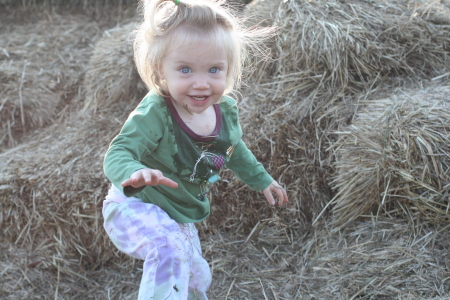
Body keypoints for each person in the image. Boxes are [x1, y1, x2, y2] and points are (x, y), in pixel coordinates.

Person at [102, 0, 289, 299]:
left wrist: (262, 179)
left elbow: (233, 149)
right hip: (133, 206)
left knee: (196, 277)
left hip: (177, 213)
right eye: (185, 69)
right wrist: (135, 171)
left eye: (214, 69)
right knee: (169, 248)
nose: (201, 84)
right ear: (159, 69)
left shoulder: (224, 111)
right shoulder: (157, 112)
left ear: (229, 70)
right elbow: (118, 152)